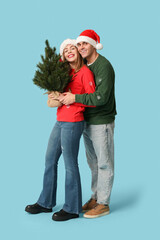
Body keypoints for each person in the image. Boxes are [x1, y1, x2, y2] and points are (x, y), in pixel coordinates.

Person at [25, 39, 95, 221]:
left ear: (79, 53)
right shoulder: (65, 73)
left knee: (70, 164)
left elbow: (93, 99)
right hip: (60, 120)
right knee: (49, 159)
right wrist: (53, 94)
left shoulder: (85, 72)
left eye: (73, 48)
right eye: (66, 50)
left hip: (73, 122)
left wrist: (74, 98)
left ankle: (72, 208)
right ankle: (45, 202)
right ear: (63, 56)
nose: (70, 51)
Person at [57, 30, 117, 219]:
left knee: (104, 163)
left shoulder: (103, 66)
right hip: (86, 121)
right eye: (79, 44)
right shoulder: (85, 65)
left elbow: (101, 97)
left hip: (102, 121)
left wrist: (74, 97)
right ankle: (95, 197)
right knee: (93, 163)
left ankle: (103, 203)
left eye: (85, 44)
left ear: (93, 45)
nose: (81, 47)